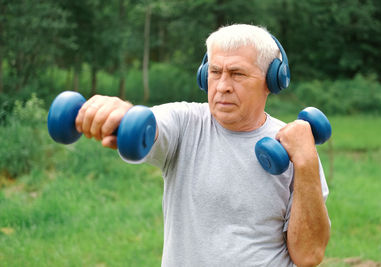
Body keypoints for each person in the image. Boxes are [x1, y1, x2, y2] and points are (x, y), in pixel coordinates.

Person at [75, 24, 330, 267]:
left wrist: (306, 162)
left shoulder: (296, 146)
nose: (222, 86)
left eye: (237, 74)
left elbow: (308, 255)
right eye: (215, 72)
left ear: (271, 81)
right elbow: (148, 124)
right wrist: (123, 114)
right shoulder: (185, 123)